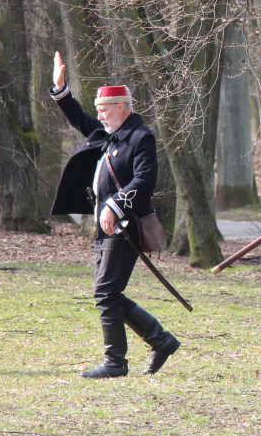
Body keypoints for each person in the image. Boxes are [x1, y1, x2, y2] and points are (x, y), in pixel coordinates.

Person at [49, 52, 179, 379]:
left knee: (105, 293)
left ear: (122, 108)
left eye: (104, 110)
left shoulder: (140, 137)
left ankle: (116, 362)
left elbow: (145, 179)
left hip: (126, 226)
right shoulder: (110, 133)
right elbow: (79, 119)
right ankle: (160, 340)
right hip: (107, 228)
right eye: (99, 111)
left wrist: (115, 204)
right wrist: (61, 89)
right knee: (109, 293)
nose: (100, 116)